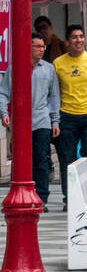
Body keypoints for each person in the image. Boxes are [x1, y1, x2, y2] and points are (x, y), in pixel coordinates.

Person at [0, 32, 60, 208]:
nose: (42, 50)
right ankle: (19, 194)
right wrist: (4, 112)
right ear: (29, 47)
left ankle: (41, 198)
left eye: (43, 46)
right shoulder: (15, 68)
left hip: (42, 121)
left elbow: (54, 96)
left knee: (41, 159)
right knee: (20, 160)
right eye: (38, 46)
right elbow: (4, 93)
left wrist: (55, 120)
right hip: (19, 123)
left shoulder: (48, 69)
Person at [54, 24, 87, 210]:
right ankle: (69, 198)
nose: (79, 40)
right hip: (66, 116)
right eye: (74, 37)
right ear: (68, 42)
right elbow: (55, 91)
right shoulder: (58, 63)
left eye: (81, 36)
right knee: (67, 159)